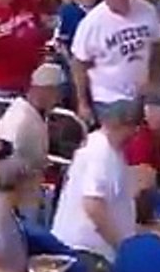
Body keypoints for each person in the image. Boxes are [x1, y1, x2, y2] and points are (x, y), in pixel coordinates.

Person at [69, 0, 160, 123]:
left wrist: (154, 76)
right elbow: (79, 65)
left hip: (144, 93)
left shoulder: (146, 10)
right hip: (109, 99)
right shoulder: (92, 23)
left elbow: (159, 44)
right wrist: (83, 103)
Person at [51, 99, 141, 263]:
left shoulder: (112, 151)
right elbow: (93, 205)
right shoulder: (100, 152)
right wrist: (122, 246)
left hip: (94, 251)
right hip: (85, 251)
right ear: (127, 126)